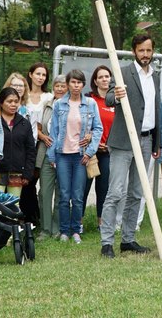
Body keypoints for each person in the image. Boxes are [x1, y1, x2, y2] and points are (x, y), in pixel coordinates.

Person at [100, 35, 161, 258]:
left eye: (148, 50)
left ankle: (128, 239)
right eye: (141, 50)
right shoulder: (123, 72)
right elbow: (107, 98)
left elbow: (157, 109)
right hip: (124, 141)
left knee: (137, 192)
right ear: (134, 51)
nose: (145, 54)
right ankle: (107, 242)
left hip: (146, 141)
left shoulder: (155, 76)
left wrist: (157, 141)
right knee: (116, 192)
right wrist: (115, 96)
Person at [47, 69, 102, 244]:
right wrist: (52, 156)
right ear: (68, 84)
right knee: (64, 195)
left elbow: (98, 128)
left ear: (83, 84)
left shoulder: (90, 104)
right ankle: (64, 230)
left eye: (79, 83)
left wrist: (90, 150)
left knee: (78, 196)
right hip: (63, 155)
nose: (76, 86)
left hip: (81, 156)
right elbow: (54, 132)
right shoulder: (59, 105)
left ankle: (76, 230)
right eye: (73, 82)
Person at [0, 87, 37, 220]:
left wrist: (28, 172)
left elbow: (31, 149)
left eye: (16, 101)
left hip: (17, 172)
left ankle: (11, 236)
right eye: (9, 101)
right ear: (1, 103)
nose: (13, 104)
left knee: (14, 204)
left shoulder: (24, 123)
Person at [36, 75, 66, 241]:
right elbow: (37, 127)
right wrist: (42, 137)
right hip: (47, 152)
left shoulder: (71, 105)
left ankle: (57, 228)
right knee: (45, 192)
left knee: (62, 192)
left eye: (63, 86)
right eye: (57, 86)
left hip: (65, 154)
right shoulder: (46, 105)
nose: (60, 89)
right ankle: (45, 229)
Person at [83, 65, 113, 232]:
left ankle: (101, 223)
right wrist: (93, 142)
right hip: (91, 151)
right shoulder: (89, 100)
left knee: (104, 189)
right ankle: (78, 223)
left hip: (108, 152)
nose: (104, 79)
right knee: (84, 187)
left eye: (107, 76)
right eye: (100, 77)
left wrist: (109, 144)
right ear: (95, 81)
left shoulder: (115, 99)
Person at [27, 62, 53, 141]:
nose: (41, 77)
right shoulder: (23, 95)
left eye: (44, 75)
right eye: (38, 74)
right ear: (30, 75)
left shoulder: (49, 97)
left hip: (43, 141)